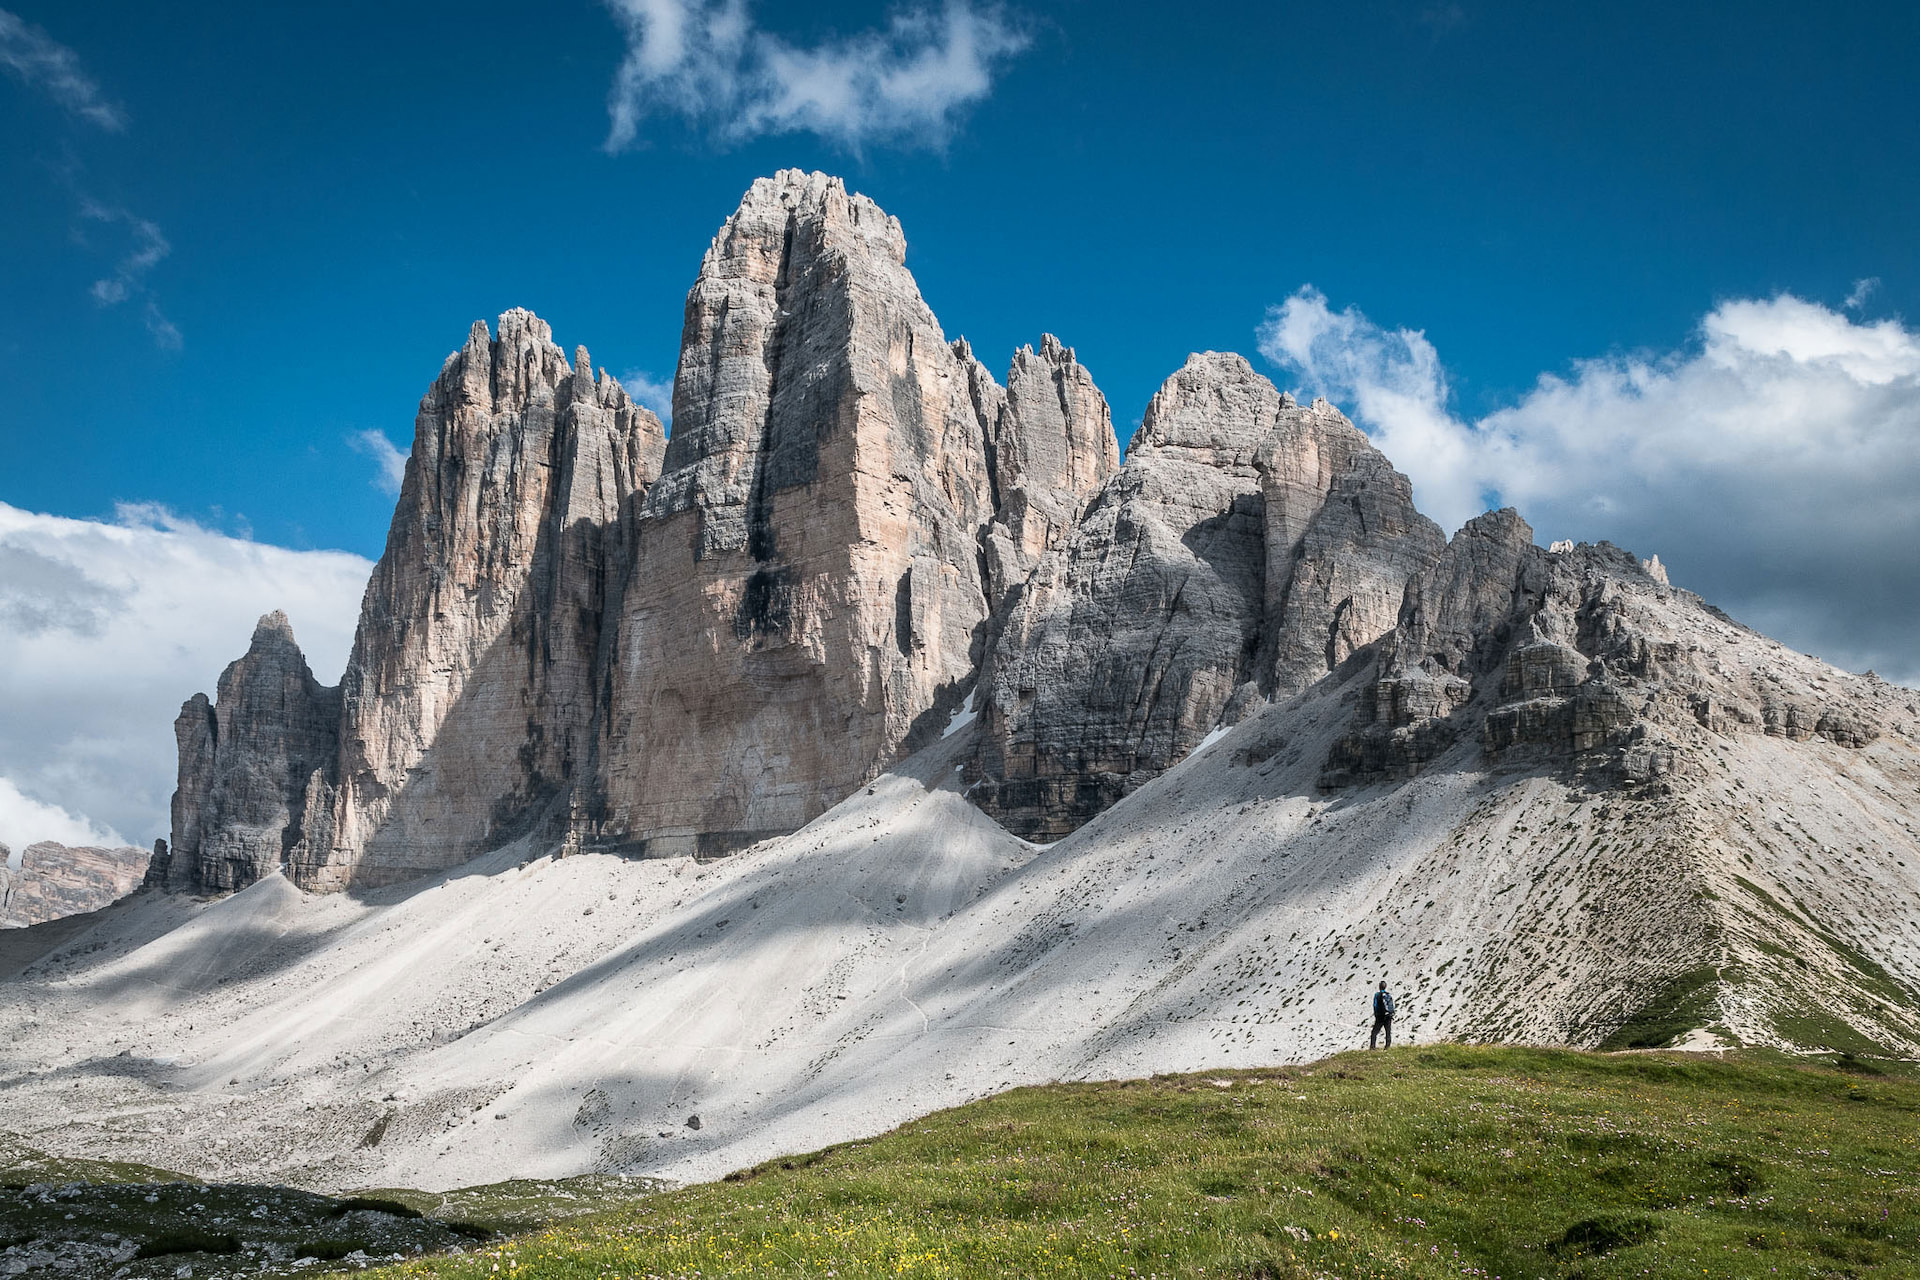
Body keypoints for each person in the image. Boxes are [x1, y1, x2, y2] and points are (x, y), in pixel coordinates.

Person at [1370, 981, 1395, 1049]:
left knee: (1374, 1032)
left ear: (1379, 986)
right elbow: (1392, 1006)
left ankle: (1372, 1047)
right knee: (1388, 1031)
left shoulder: (1377, 995)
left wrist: (1376, 1014)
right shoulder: (1388, 995)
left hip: (1380, 1016)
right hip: (1388, 1016)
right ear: (1385, 986)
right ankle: (1387, 1046)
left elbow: (1375, 1005)